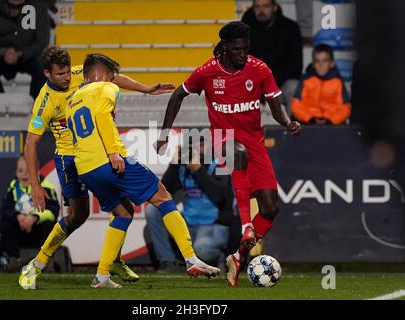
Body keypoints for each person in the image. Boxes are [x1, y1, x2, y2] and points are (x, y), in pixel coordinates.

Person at [156, 21, 301, 287]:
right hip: (223, 140)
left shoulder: (259, 69)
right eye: (236, 49)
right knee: (237, 151)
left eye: (245, 48)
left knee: (271, 208)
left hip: (255, 142)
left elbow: (275, 106)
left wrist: (287, 123)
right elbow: (177, 95)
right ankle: (246, 225)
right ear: (224, 48)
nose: (242, 54)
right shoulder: (208, 72)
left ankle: (238, 257)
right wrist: (165, 133)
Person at [18, 46, 176, 289]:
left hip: (96, 154)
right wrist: (36, 185)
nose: (67, 78)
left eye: (68, 72)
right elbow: (30, 143)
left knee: (125, 209)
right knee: (78, 216)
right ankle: (36, 264)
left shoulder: (80, 73)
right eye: (60, 74)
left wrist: (145, 88)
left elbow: (113, 76)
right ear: (46, 74)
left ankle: (112, 262)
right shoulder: (44, 103)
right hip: (69, 159)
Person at [65, 53, 220, 288]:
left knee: (124, 212)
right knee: (162, 195)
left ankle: (102, 276)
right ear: (103, 74)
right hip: (108, 160)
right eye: (112, 75)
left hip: (86, 168)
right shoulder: (105, 87)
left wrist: (145, 89)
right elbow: (102, 116)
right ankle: (191, 259)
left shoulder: (73, 99)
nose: (115, 80)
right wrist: (114, 152)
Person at [146, 140, 236, 272]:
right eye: (196, 143)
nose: (199, 146)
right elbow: (162, 192)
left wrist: (198, 170)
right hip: (188, 223)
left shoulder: (219, 164)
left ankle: (220, 259)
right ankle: (168, 261)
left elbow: (221, 196)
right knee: (153, 211)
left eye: (203, 142)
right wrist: (174, 163)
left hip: (212, 226)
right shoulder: (184, 167)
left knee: (201, 250)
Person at [0, 156, 59, 272]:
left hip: (38, 231)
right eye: (20, 171)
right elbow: (5, 209)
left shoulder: (46, 186)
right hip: (20, 230)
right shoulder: (13, 187)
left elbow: (53, 210)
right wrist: (17, 216)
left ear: (37, 172)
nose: (24, 174)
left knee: (50, 225)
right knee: (4, 224)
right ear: (16, 172)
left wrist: (35, 218)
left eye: (28, 171)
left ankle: (48, 261)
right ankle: (14, 259)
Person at [0, 0, 49, 100]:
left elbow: (42, 41)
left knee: (42, 62)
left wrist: (21, 54)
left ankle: (36, 106)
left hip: (27, 54)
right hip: (0, 54)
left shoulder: (39, 6)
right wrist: (3, 52)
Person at [242, 0, 303, 112]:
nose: (261, 11)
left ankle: (295, 129)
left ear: (274, 7)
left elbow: (295, 67)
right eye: (257, 7)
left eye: (266, 6)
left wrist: (270, 85)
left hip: (280, 85)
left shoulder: (290, 29)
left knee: (294, 87)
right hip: (253, 87)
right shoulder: (245, 30)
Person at [291, 44, 351, 125]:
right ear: (313, 64)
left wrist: (332, 121)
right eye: (317, 61)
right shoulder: (306, 80)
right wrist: (310, 119)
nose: (321, 65)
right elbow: (296, 105)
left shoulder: (338, 82)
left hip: (332, 124)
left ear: (332, 63)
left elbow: (345, 108)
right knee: (294, 121)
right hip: (308, 122)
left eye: (325, 60)